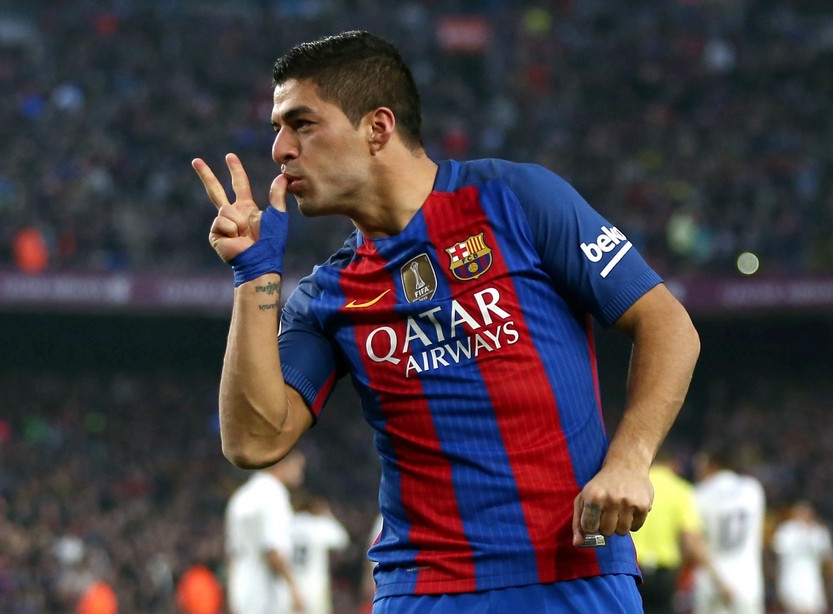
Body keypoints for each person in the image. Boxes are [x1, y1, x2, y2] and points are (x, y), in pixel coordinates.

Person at [192, 29, 700, 613]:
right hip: (424, 590)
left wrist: (630, 461)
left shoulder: (516, 200)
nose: (280, 149)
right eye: (277, 130)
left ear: (377, 128)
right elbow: (254, 440)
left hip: (572, 570)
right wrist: (254, 277)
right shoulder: (325, 295)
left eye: (301, 124)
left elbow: (666, 323)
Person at [632, 445, 731, 614]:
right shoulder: (681, 490)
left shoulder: (633, 486)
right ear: (674, 464)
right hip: (664, 576)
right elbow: (691, 539)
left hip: (633, 570)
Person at [224, 449, 306, 614]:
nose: (300, 473)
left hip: (241, 589)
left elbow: (231, 555)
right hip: (265, 594)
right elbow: (273, 551)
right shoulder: (274, 494)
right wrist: (293, 588)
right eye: (297, 467)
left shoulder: (241, 496)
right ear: (282, 464)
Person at [692, 446, 766, 614]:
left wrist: (719, 582)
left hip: (712, 583)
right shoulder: (753, 489)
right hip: (748, 582)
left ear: (711, 465)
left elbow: (695, 544)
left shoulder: (699, 494)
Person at [290, 491, 350, 614]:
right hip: (314, 588)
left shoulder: (287, 524)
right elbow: (342, 540)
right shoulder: (318, 526)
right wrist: (327, 515)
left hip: (290, 588)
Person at [772, 500, 833, 614]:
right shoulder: (786, 531)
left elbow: (827, 559)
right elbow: (776, 553)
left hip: (813, 584)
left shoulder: (819, 532)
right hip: (791, 581)